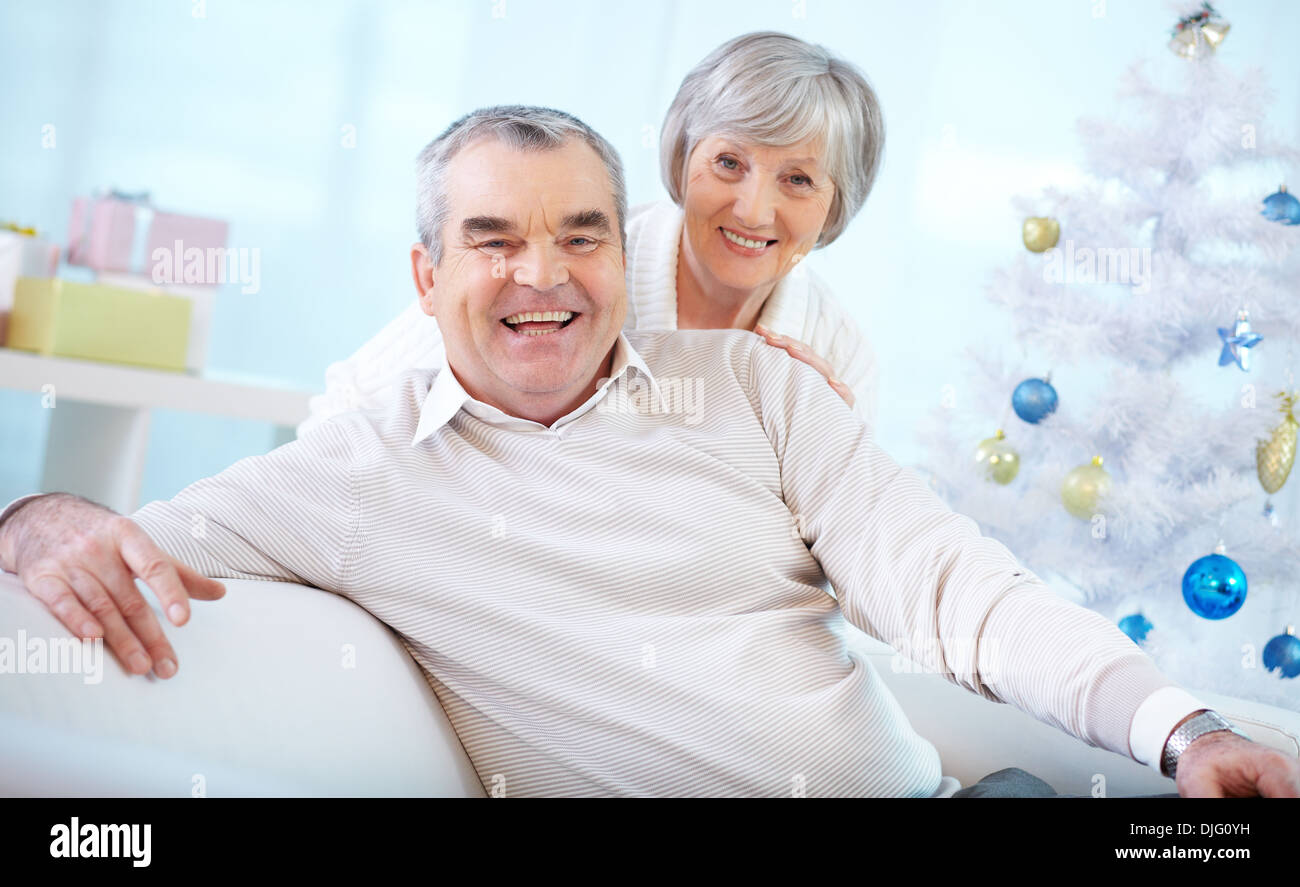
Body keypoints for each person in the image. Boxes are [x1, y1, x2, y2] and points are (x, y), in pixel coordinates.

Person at [1, 106, 1295, 798]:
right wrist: (38, 517)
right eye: (495, 237)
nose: (543, 275)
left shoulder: (757, 389)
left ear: (627, 251)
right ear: (426, 272)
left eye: (582, 232)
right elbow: (115, 536)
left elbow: (961, 588)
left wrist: (1182, 730)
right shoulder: (355, 472)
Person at [296, 31, 883, 439]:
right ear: (683, 156)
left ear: (837, 205)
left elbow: (837, 547)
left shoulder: (836, 349)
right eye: (729, 163)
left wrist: (823, 454)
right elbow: (344, 411)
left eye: (799, 179)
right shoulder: (576, 260)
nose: (754, 210)